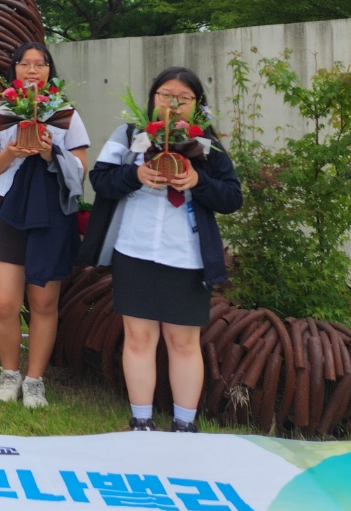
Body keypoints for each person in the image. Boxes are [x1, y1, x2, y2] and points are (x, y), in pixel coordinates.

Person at [83, 67, 242, 433]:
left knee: (183, 342)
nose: (173, 104)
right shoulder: (128, 135)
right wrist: (134, 175)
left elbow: (232, 197)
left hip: (185, 256)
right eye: (165, 95)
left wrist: (197, 180)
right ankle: (141, 421)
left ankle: (184, 425)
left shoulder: (206, 144)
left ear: (197, 105)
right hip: (135, 251)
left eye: (183, 99)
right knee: (138, 338)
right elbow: (100, 180)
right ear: (152, 99)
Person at [0, 42, 89, 408]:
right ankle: (9, 374)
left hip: (52, 211)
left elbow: (80, 169)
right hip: (9, 206)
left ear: (49, 71)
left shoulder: (64, 114)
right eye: (24, 63)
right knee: (4, 302)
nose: (32, 69)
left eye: (40, 64)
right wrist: (10, 152)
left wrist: (48, 152)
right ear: (13, 70)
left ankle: (35, 379)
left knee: (43, 300)